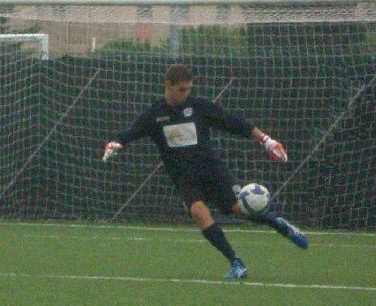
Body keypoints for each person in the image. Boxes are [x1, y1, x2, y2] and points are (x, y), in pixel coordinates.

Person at [102, 64, 308, 279]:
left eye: (188, 89)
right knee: (198, 211)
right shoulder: (154, 115)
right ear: (167, 86)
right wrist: (114, 144)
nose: (185, 94)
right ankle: (236, 262)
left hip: (211, 170)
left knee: (240, 209)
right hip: (184, 177)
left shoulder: (199, 107)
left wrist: (266, 140)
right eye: (181, 89)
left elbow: (234, 122)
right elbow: (130, 133)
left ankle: (280, 224)